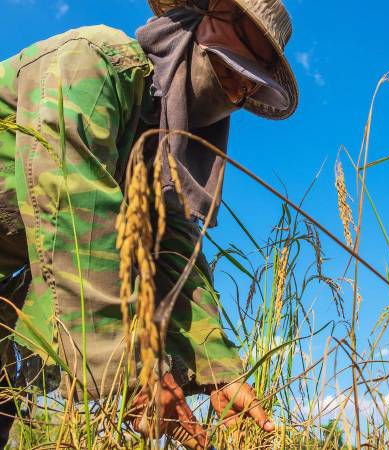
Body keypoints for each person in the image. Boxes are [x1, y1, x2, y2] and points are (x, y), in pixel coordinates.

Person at [0, 0, 298, 448]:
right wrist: (135, 372)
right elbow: (72, 207)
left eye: (251, 83)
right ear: (197, 22)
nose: (239, 87)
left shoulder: (161, 149)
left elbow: (173, 250)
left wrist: (219, 373)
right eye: (236, 62)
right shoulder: (95, 63)